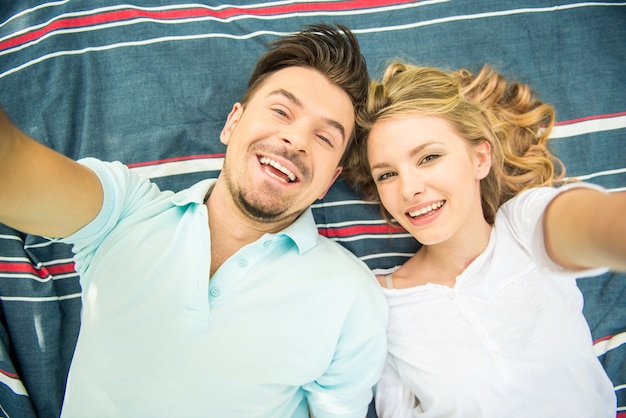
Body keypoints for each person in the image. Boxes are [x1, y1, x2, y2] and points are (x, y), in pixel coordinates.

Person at [0, 24, 387, 417]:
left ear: (330, 181)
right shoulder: (124, 211)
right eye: (281, 111)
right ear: (232, 123)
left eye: (324, 138)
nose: (297, 140)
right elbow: (10, 173)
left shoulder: (352, 296)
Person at [343, 61, 626, 417]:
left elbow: (595, 223)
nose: (409, 189)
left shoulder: (524, 227)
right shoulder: (379, 301)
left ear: (479, 158)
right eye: (387, 174)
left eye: (429, 157)